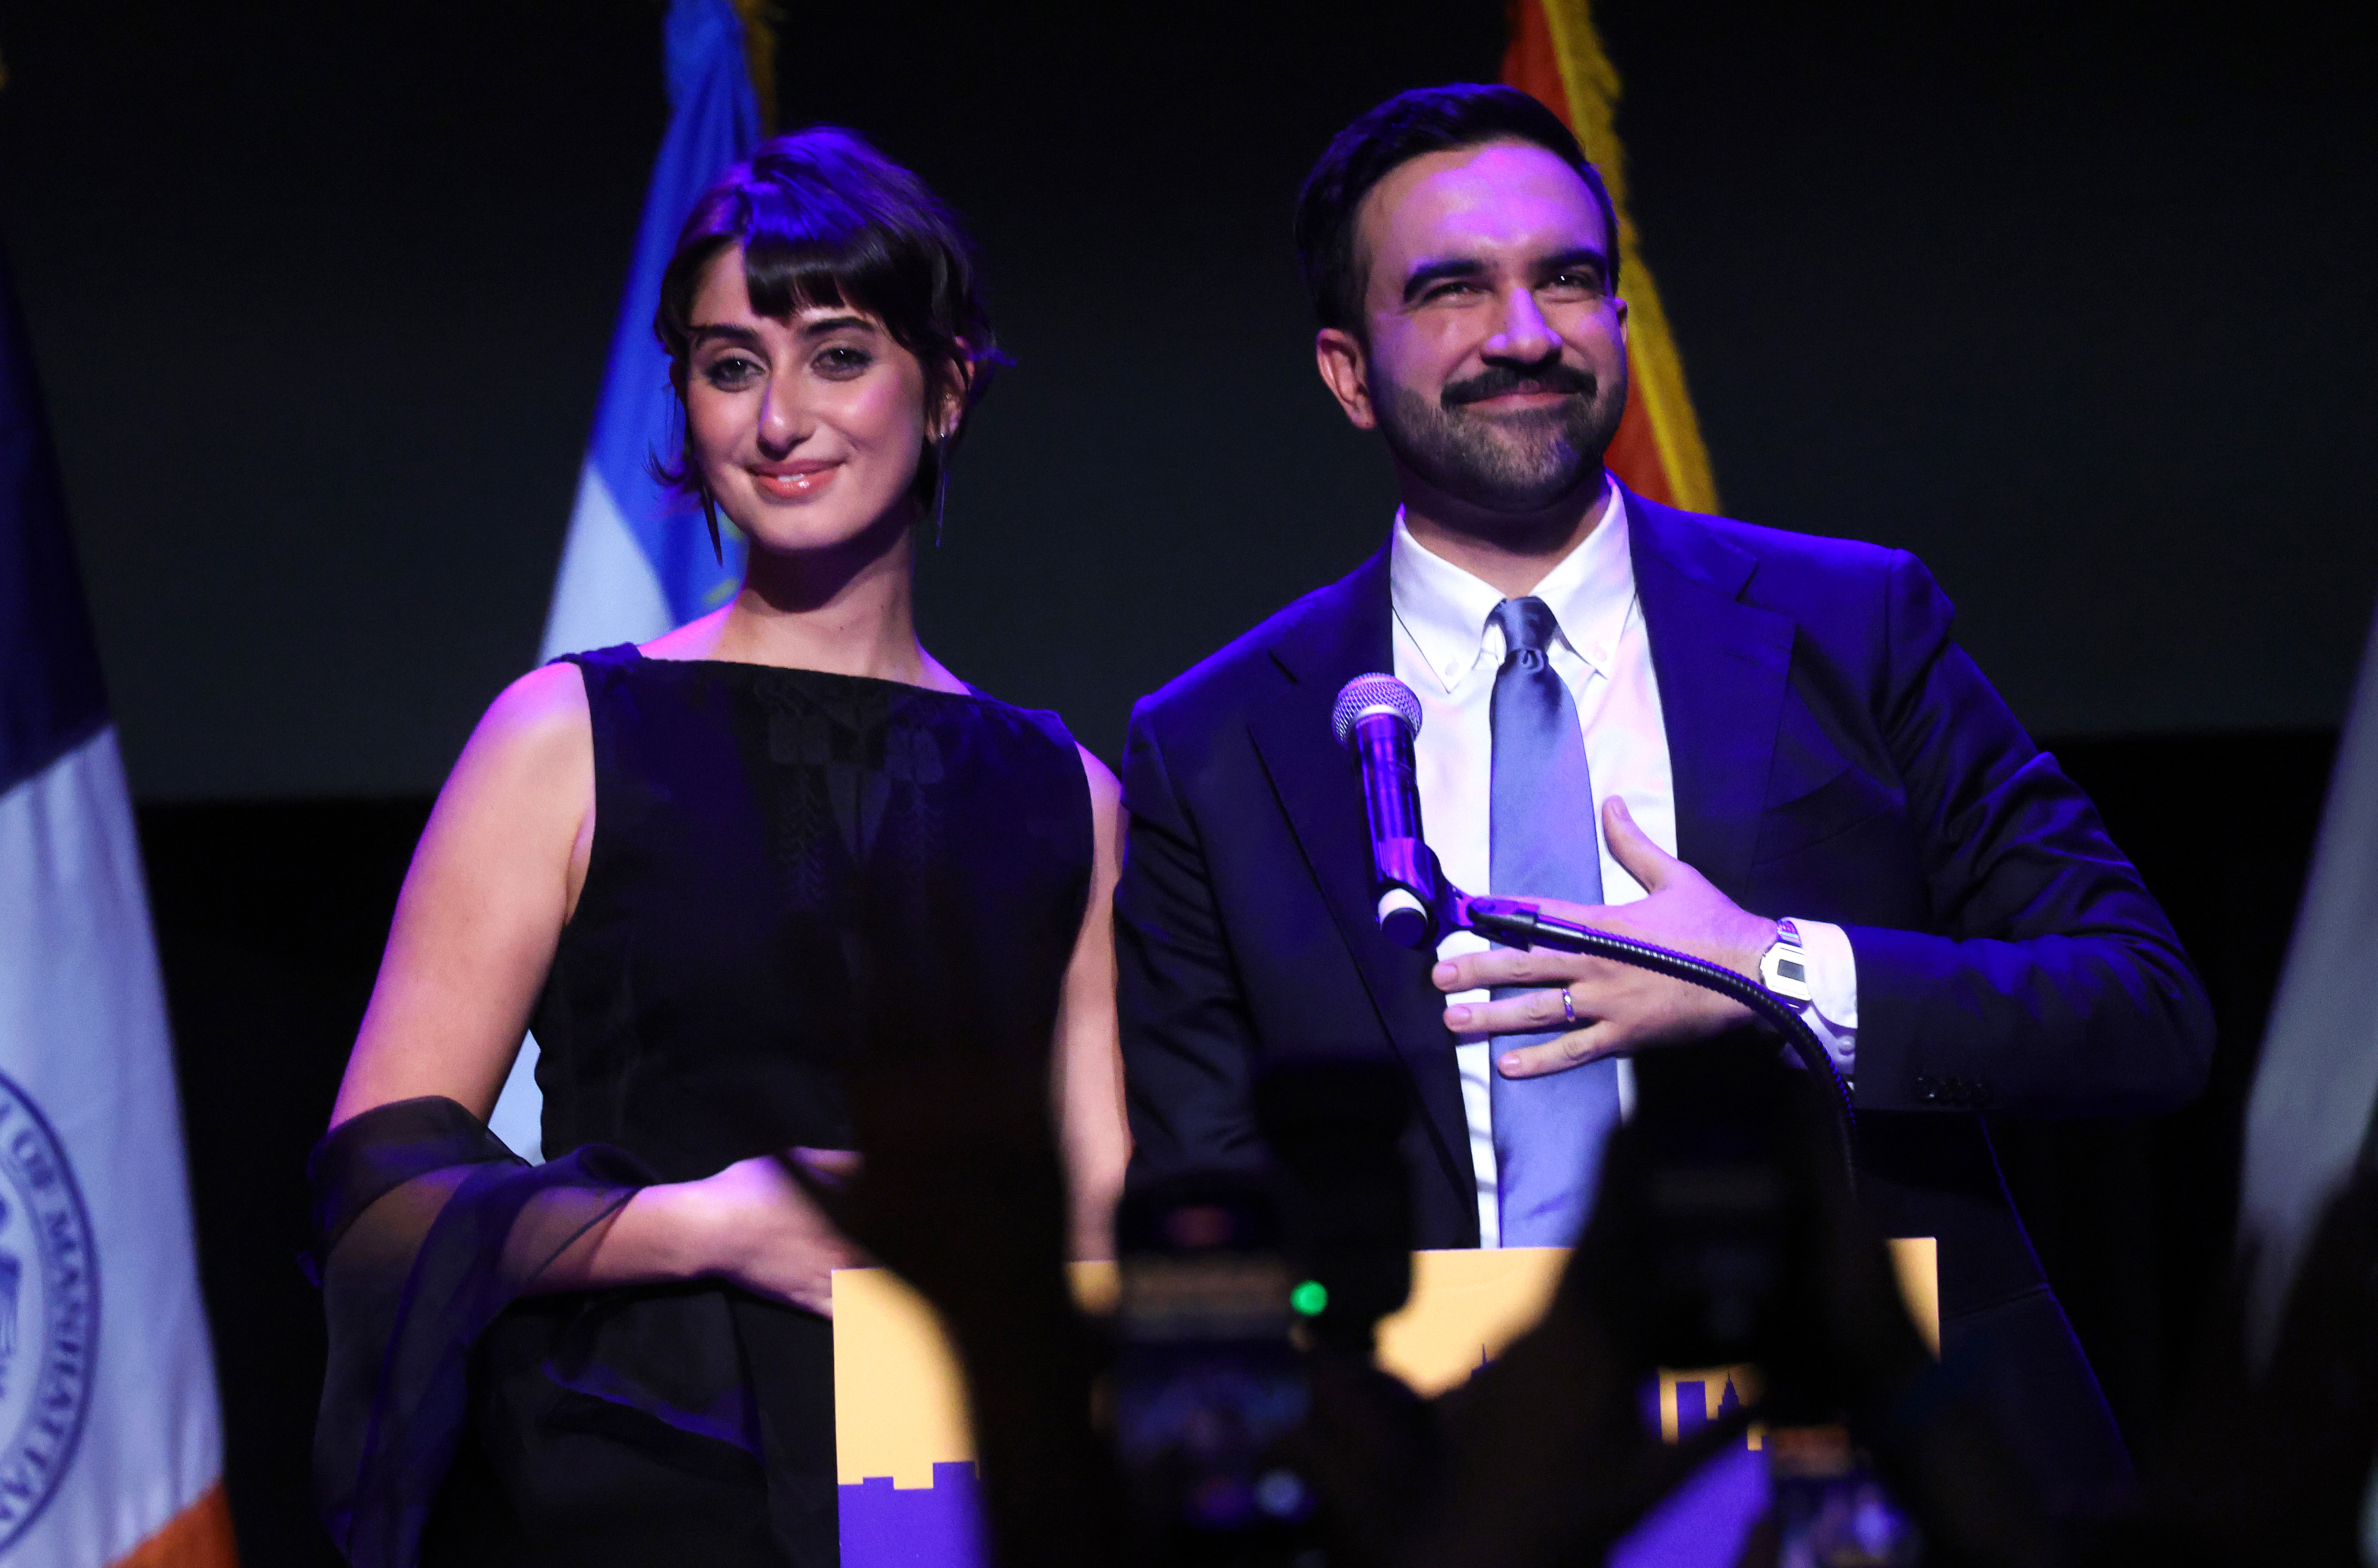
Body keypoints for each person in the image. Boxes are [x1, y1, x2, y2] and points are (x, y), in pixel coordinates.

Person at [1113, 83, 2213, 1519]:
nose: (1524, 333)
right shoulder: (1213, 744)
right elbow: (1215, 1203)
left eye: (1567, 279)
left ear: (1620, 318)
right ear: (1347, 371)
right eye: (1452, 289)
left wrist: (1774, 974)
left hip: (1880, 1463)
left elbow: (2143, 1009)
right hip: (1458, 1496)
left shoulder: (1855, 625)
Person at [307, 127, 1130, 1568]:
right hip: (642, 1485)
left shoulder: (1069, 792)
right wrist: (704, 1225)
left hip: (958, 1490)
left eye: (839, 356)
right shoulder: (566, 735)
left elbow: (1097, 1218)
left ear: (945, 388)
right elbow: (378, 1205)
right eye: (732, 366)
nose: (780, 419)